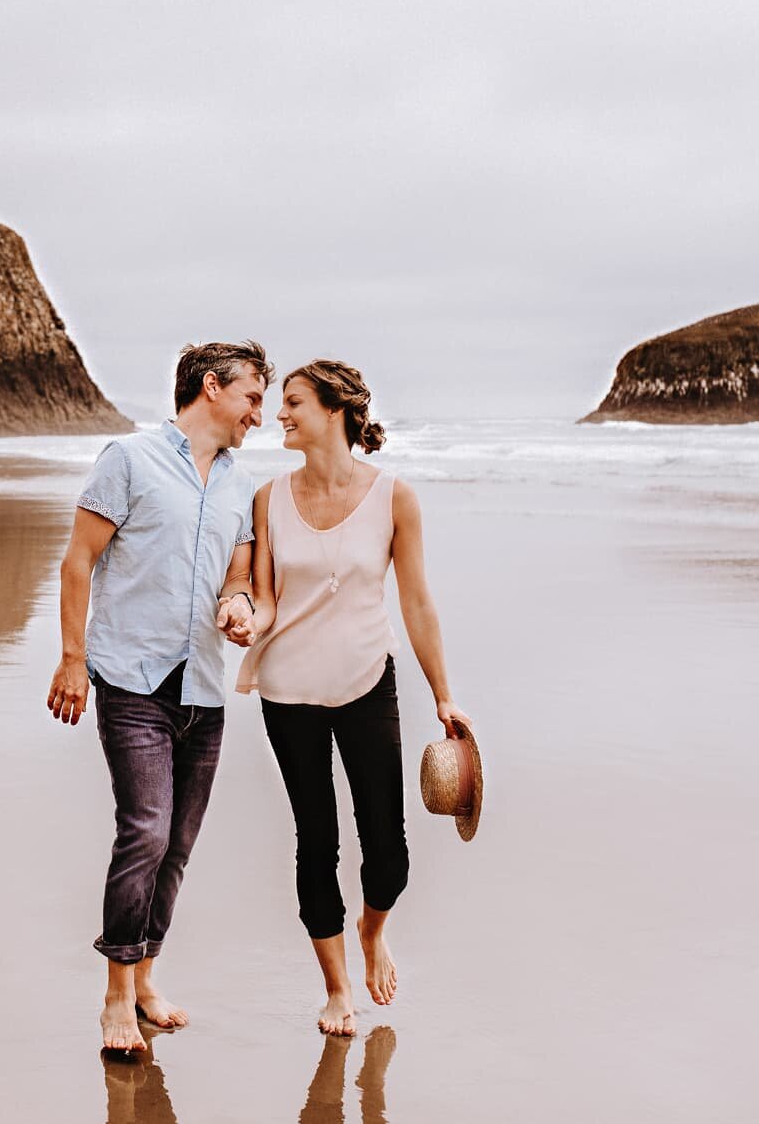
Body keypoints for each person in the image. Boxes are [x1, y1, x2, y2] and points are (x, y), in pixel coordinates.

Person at [222, 360, 472, 1036]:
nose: (280, 414)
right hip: (288, 690)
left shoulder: (395, 497)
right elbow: (268, 598)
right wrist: (247, 615)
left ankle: (372, 931)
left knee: (387, 850)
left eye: (294, 402)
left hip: (367, 681)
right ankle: (336, 987)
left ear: (336, 409)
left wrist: (444, 694)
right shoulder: (268, 497)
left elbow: (416, 602)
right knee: (317, 842)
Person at [48, 340, 274, 1054]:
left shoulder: (240, 484)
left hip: (203, 687)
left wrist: (238, 604)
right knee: (144, 830)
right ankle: (116, 997)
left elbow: (238, 571)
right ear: (212, 387)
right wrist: (72, 659)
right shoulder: (129, 461)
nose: (258, 416)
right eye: (252, 398)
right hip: (131, 678)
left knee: (175, 846)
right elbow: (78, 560)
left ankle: (146, 978)